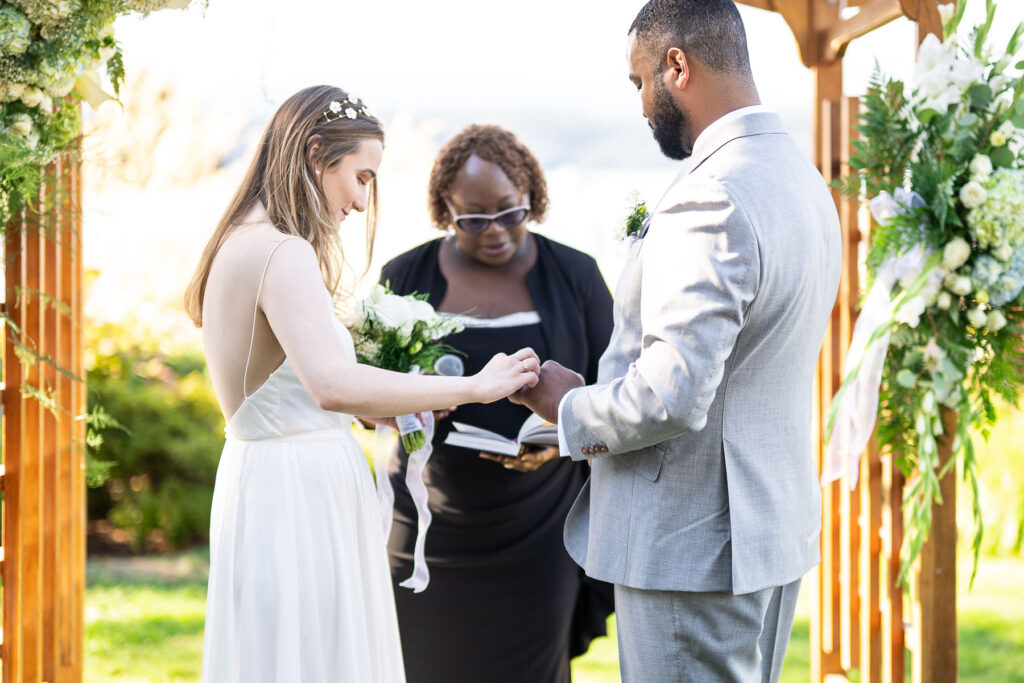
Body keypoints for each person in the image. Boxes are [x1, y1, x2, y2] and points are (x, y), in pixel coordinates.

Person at [512, 1, 843, 681]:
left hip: (692, 549)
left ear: (677, 66)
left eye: (639, 82)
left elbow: (670, 395)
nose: (639, 106)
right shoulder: (802, 181)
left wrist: (567, 408)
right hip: (765, 531)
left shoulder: (712, 196)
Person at [184, 87, 540, 683]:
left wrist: (386, 405)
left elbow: (295, 389)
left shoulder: (239, 239)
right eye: (361, 176)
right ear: (315, 152)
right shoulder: (282, 250)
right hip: (299, 493)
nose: (360, 198)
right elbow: (331, 385)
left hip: (267, 480)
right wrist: (475, 387)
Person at [379, 124, 615, 683]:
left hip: (539, 529)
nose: (495, 232)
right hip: (427, 525)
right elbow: (366, 389)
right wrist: (406, 405)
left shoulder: (575, 275)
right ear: (444, 210)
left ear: (532, 196)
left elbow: (616, 390)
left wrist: (561, 442)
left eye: (511, 212)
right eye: (474, 219)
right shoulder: (404, 276)